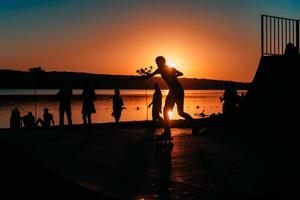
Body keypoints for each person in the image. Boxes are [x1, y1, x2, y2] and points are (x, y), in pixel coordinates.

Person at [133, 56, 197, 137]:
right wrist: (136, 78)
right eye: (156, 63)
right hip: (173, 91)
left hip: (178, 90)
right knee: (167, 110)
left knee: (179, 112)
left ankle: (194, 126)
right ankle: (168, 131)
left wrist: (175, 75)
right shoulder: (159, 70)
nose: (157, 64)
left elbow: (181, 73)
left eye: (158, 63)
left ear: (163, 62)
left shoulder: (170, 68)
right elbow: (148, 76)